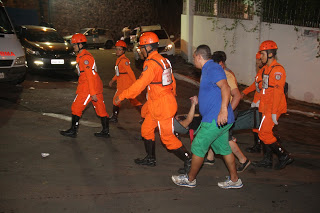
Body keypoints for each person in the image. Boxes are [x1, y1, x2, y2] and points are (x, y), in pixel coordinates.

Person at [114, 32, 191, 172]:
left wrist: (122, 95)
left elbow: (140, 84)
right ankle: (150, 158)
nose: (140, 50)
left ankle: (189, 161)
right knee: (146, 129)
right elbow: (172, 81)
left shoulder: (151, 64)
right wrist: (172, 95)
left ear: (147, 47)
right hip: (158, 104)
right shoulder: (163, 60)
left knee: (167, 138)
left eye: (141, 47)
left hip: (162, 106)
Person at [171, 45, 243, 189]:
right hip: (219, 120)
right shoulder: (208, 70)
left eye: (194, 57)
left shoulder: (212, 68)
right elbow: (214, 90)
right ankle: (235, 180)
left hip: (215, 120)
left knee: (198, 146)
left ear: (199, 56)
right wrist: (200, 99)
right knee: (224, 149)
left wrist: (223, 110)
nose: (193, 60)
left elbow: (225, 87)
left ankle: (190, 179)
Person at [204, 51, 250, 173]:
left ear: (221, 64)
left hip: (226, 111)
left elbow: (237, 96)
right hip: (220, 111)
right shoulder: (218, 73)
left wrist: (228, 112)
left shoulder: (226, 75)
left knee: (226, 139)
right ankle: (210, 157)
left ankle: (243, 160)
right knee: (214, 133)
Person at [252, 40, 294, 169]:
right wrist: (257, 101)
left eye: (263, 54)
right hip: (266, 105)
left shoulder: (277, 70)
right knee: (264, 132)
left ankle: (284, 155)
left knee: (264, 133)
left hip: (273, 107)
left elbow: (277, 93)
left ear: (270, 54)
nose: (261, 56)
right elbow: (262, 87)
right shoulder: (265, 69)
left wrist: (275, 112)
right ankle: (267, 160)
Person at [60, 33, 110, 138]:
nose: (73, 46)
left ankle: (73, 131)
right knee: (100, 109)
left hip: (88, 87)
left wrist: (92, 93)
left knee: (76, 107)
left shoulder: (85, 58)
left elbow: (90, 76)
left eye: (74, 44)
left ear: (80, 45)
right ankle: (106, 131)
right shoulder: (82, 56)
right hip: (93, 85)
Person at [108, 40, 142, 123]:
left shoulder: (124, 60)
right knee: (133, 101)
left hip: (125, 85)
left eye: (119, 49)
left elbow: (130, 72)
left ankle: (114, 117)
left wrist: (135, 84)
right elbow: (118, 73)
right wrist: (112, 80)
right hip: (122, 83)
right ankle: (144, 116)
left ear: (123, 51)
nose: (117, 51)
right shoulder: (119, 59)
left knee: (116, 100)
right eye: (116, 49)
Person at [241, 51, 263, 153]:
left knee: (259, 125)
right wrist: (244, 92)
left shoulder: (265, 73)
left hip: (261, 103)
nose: (256, 62)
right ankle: (258, 145)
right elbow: (255, 85)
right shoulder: (261, 72)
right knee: (256, 124)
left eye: (258, 60)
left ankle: (260, 146)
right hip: (257, 102)